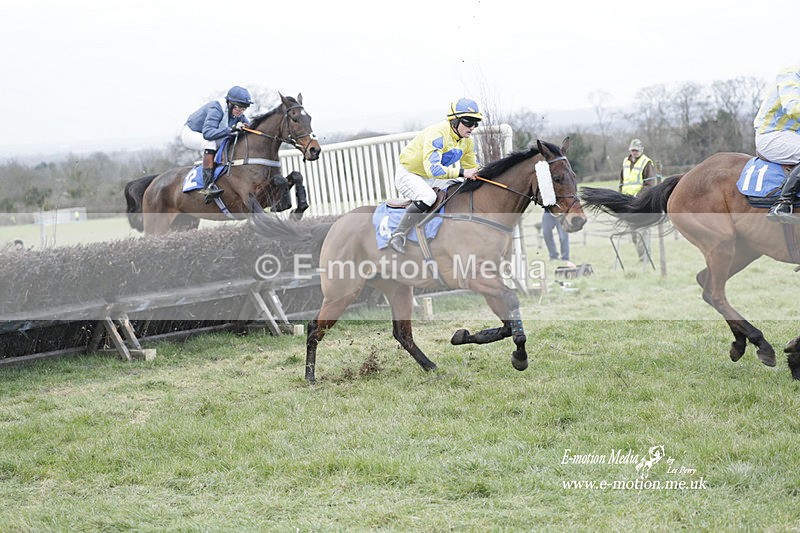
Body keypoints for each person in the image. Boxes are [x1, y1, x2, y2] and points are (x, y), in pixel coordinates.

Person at [388, 98, 482, 254]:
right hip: (409, 173)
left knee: (459, 187)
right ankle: (398, 234)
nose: (472, 127)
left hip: (429, 176)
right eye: (468, 121)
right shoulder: (437, 133)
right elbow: (434, 170)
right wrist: (463, 173)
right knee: (428, 197)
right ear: (454, 120)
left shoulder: (467, 142)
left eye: (475, 123)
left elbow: (472, 168)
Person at [181, 86, 253, 203]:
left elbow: (248, 127)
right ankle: (208, 186)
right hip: (192, 133)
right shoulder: (216, 108)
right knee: (210, 143)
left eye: (244, 108)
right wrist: (231, 129)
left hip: (211, 135)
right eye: (238, 107)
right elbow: (208, 133)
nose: (241, 111)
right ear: (230, 103)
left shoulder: (239, 114)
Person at [754, 65, 800, 222]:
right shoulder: (790, 75)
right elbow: (793, 108)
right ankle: (782, 204)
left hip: (790, 137)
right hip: (771, 136)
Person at [620, 138, 656, 262]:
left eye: (636, 150)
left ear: (642, 150)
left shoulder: (647, 163)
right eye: (633, 150)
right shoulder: (625, 161)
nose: (634, 152)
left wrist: (637, 197)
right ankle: (641, 258)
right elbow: (622, 181)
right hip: (627, 203)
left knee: (643, 231)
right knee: (634, 234)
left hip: (642, 203)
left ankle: (645, 259)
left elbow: (650, 185)